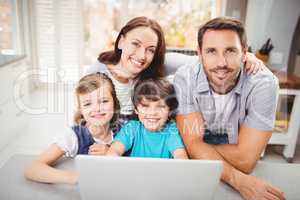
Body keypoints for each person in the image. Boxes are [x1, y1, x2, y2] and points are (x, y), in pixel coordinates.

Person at [86, 16, 264, 131]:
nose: (142, 56)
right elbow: (86, 116)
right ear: (121, 41)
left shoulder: (161, 64)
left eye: (150, 49)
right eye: (135, 44)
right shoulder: (98, 72)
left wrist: (244, 56)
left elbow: (206, 60)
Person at [174, 17, 285, 200]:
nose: (221, 63)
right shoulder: (185, 76)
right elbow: (193, 143)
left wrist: (195, 149)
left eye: (231, 51)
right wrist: (239, 181)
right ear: (199, 54)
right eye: (211, 51)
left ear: (244, 53)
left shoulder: (264, 84)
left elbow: (246, 160)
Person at [24, 73, 120, 184]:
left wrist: (111, 153)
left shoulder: (127, 131)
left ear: (114, 103)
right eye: (88, 104)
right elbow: (32, 168)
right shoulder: (73, 137)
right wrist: (77, 178)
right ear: (81, 109)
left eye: (104, 101)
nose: (97, 109)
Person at [106, 78, 188, 159]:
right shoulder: (131, 128)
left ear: (169, 110)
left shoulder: (171, 130)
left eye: (160, 107)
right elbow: (114, 150)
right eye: (145, 106)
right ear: (136, 109)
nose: (152, 113)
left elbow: (180, 156)